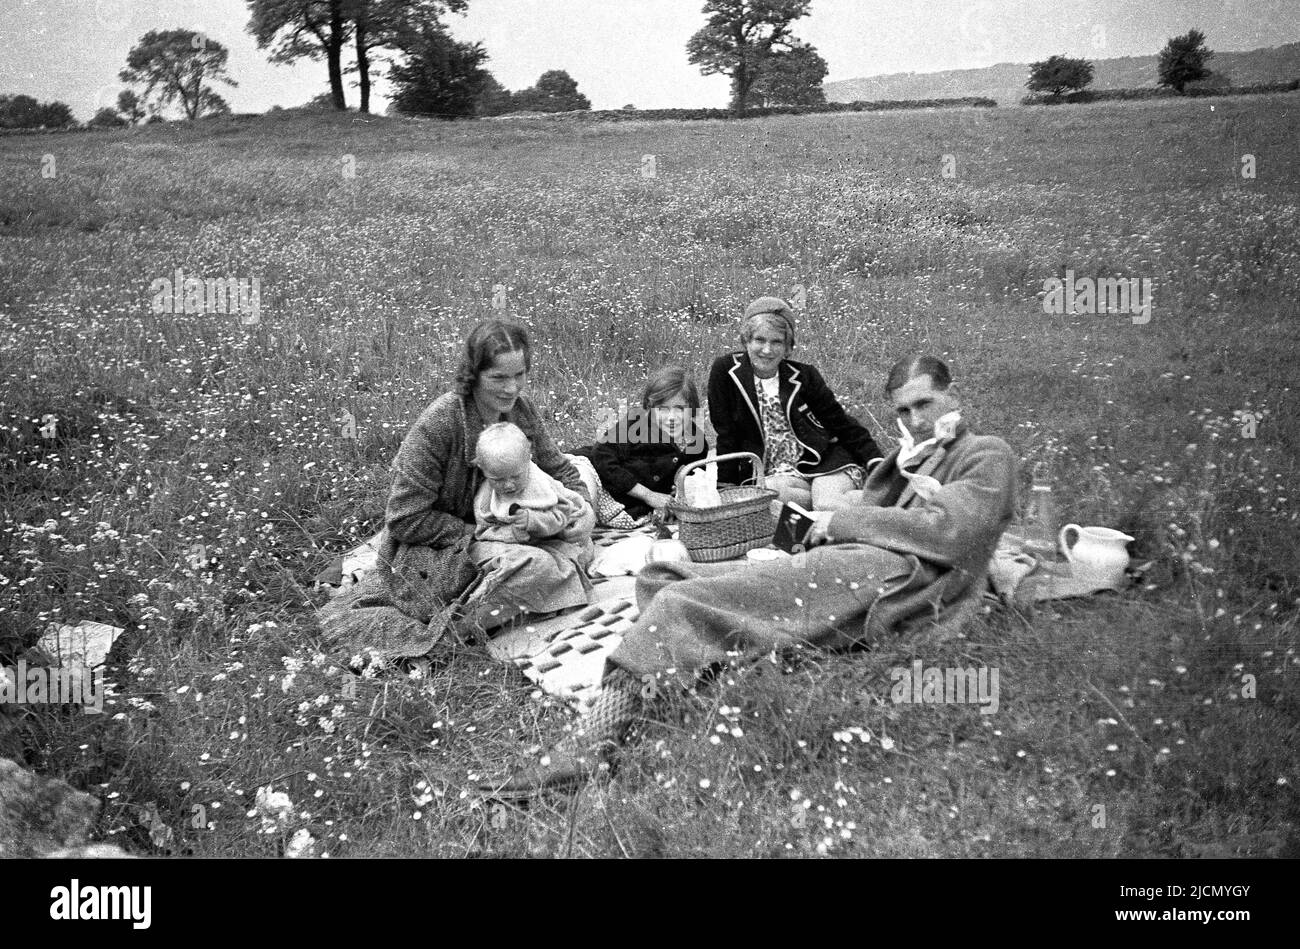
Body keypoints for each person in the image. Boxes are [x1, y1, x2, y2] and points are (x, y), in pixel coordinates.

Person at [484, 354, 1017, 795]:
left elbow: (953, 534)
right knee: (666, 572)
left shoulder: (985, 454)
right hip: (857, 560)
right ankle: (690, 667)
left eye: (925, 403)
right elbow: (885, 512)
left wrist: (843, 517)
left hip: (902, 577)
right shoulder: (912, 454)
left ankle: (587, 747)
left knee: (683, 603)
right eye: (905, 409)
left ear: (953, 395)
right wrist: (824, 524)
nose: (917, 419)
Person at [382, 319, 596, 638]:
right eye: (498, 377)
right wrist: (483, 532)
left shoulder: (520, 410)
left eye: (519, 375)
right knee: (537, 567)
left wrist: (583, 508)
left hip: (515, 524)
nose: (511, 388)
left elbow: (560, 469)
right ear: (474, 375)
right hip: (452, 544)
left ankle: (530, 589)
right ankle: (457, 629)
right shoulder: (437, 426)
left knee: (582, 517)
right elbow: (404, 518)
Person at [708, 296, 882, 512]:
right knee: (767, 494)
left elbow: (841, 423)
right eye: (759, 340)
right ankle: (857, 500)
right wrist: (725, 488)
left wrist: (876, 461)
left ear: (788, 347)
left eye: (776, 342)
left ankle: (884, 504)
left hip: (825, 461)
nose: (767, 350)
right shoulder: (726, 372)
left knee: (825, 503)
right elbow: (726, 433)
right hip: (776, 473)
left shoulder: (804, 376)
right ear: (746, 341)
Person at [568, 366, 710, 526]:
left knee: (581, 520)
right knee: (579, 506)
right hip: (589, 470)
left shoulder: (695, 442)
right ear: (650, 408)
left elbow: (692, 482)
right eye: (662, 409)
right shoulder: (637, 424)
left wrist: (679, 495)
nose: (672, 417)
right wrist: (648, 495)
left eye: (680, 409)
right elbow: (601, 455)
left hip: (618, 503)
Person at [473, 422, 592, 549]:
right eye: (498, 480)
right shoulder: (486, 499)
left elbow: (564, 513)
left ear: (528, 461)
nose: (508, 485)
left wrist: (534, 520)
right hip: (517, 546)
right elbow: (483, 530)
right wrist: (512, 533)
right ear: (483, 469)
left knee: (579, 550)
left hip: (555, 534)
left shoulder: (541, 483)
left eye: (516, 477)